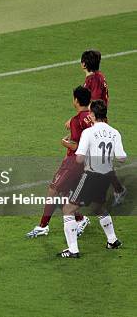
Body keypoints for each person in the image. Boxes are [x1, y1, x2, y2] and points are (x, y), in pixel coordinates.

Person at [58, 100, 126, 258]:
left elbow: (80, 159)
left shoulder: (88, 133)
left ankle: (73, 250)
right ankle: (112, 240)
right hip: (106, 177)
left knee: (68, 209)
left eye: (90, 113)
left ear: (93, 115)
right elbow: (122, 158)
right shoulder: (115, 132)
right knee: (98, 207)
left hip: (90, 175)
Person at [26, 87, 92, 238]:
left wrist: (65, 143)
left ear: (76, 100)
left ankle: (43, 226)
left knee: (53, 190)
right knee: (63, 192)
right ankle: (80, 219)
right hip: (90, 162)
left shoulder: (77, 120)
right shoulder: (92, 116)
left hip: (74, 163)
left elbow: (76, 147)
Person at [69, 49, 126, 205]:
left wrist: (78, 120)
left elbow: (92, 104)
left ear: (84, 64)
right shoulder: (99, 76)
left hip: (95, 123)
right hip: (98, 120)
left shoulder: (92, 81)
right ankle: (116, 189)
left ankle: (85, 191)